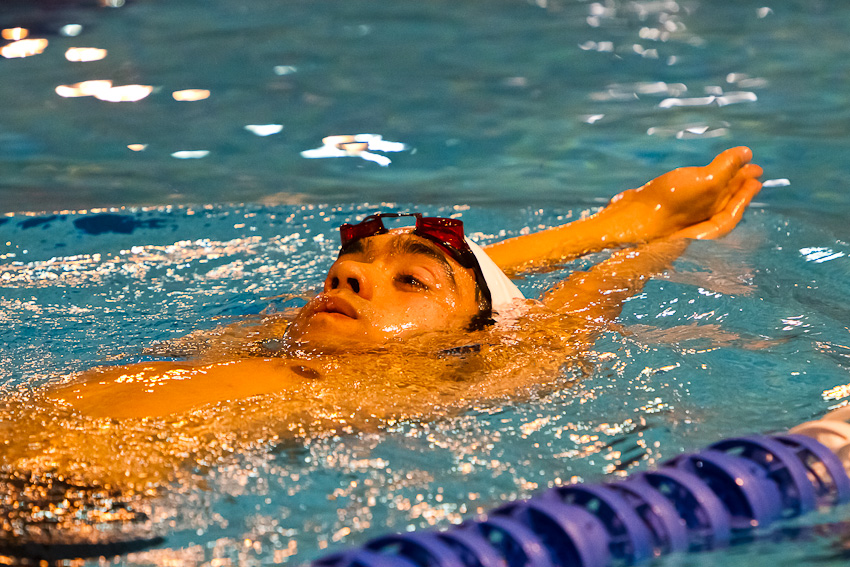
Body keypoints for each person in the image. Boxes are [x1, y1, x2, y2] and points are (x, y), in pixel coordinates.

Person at [3, 147, 762, 488]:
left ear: (481, 339)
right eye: (347, 270)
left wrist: (659, 239)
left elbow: (564, 312)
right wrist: (610, 224)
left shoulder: (428, 381)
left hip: (62, 507)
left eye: (408, 282)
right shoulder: (264, 346)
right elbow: (475, 284)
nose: (350, 280)